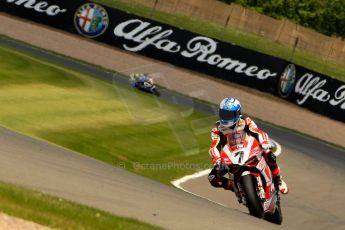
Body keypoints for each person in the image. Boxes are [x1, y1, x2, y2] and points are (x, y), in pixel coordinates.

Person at [208, 97, 288, 199]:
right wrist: (217, 160)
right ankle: (234, 187)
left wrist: (264, 142)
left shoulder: (245, 121)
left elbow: (258, 132)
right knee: (213, 178)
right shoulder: (217, 128)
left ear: (237, 113)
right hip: (230, 156)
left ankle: (278, 179)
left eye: (229, 115)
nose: (226, 118)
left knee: (270, 155)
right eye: (224, 114)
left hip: (251, 149)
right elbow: (214, 146)